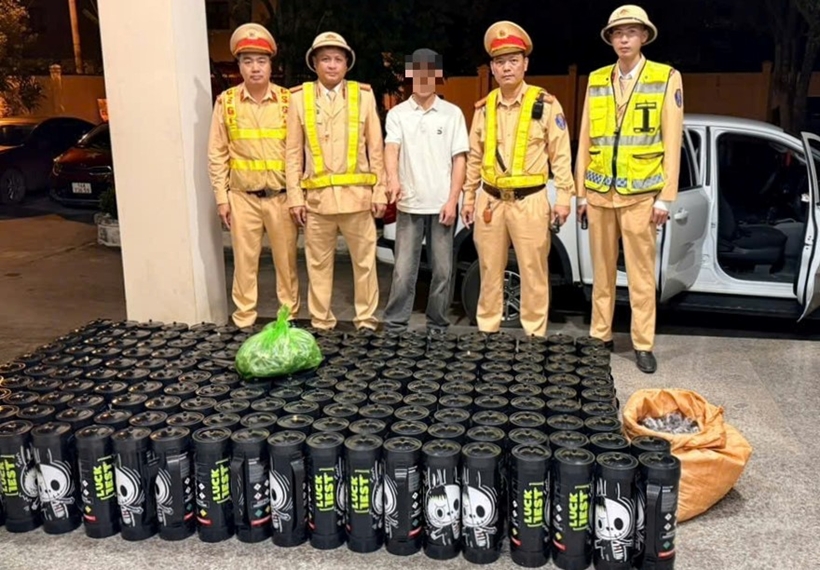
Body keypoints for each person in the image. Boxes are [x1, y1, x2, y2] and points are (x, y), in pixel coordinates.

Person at [575, 4, 684, 373]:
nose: (624, 39)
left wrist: (665, 198)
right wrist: (580, 193)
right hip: (599, 193)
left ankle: (642, 343)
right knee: (601, 272)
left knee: (640, 275)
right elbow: (585, 139)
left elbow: (672, 140)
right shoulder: (596, 79)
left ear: (643, 37)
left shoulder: (665, 77)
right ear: (610, 39)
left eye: (631, 32)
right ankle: (600, 335)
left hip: (640, 196)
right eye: (618, 33)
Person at [461, 21, 575, 337]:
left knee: (534, 272)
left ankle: (534, 337)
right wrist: (468, 197)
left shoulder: (545, 104)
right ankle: (487, 333)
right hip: (490, 201)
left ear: (525, 64)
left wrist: (564, 198)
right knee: (489, 271)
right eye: (500, 62)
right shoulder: (484, 109)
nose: (506, 67)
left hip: (531, 201)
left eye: (513, 60)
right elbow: (474, 157)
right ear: (492, 68)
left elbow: (561, 154)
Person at [286, 32, 386, 331]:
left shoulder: (363, 96)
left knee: (365, 264)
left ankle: (366, 320)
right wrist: (295, 197)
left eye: (338, 59)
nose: (332, 65)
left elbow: (376, 148)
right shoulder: (299, 99)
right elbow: (292, 153)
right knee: (318, 266)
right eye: (325, 59)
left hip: (358, 199)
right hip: (317, 202)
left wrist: (380, 191)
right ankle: (321, 322)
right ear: (315, 64)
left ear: (346, 64)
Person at [207, 23, 300, 329]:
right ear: (240, 66)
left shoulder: (288, 101)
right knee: (244, 265)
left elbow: (297, 153)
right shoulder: (226, 103)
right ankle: (243, 323)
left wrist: (297, 198)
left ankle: (287, 322)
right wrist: (222, 199)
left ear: (271, 65)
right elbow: (217, 154)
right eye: (248, 61)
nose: (255, 68)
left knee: (286, 265)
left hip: (281, 198)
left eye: (261, 61)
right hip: (242, 199)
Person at [382, 48, 469, 334]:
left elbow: (460, 159)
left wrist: (453, 199)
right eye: (417, 72)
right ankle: (395, 325)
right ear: (410, 75)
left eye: (429, 72)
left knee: (443, 271)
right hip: (409, 204)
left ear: (437, 76)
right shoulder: (398, 114)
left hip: (442, 205)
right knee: (403, 270)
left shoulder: (452, 114)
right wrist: (393, 179)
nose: (423, 78)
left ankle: (437, 325)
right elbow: (391, 148)